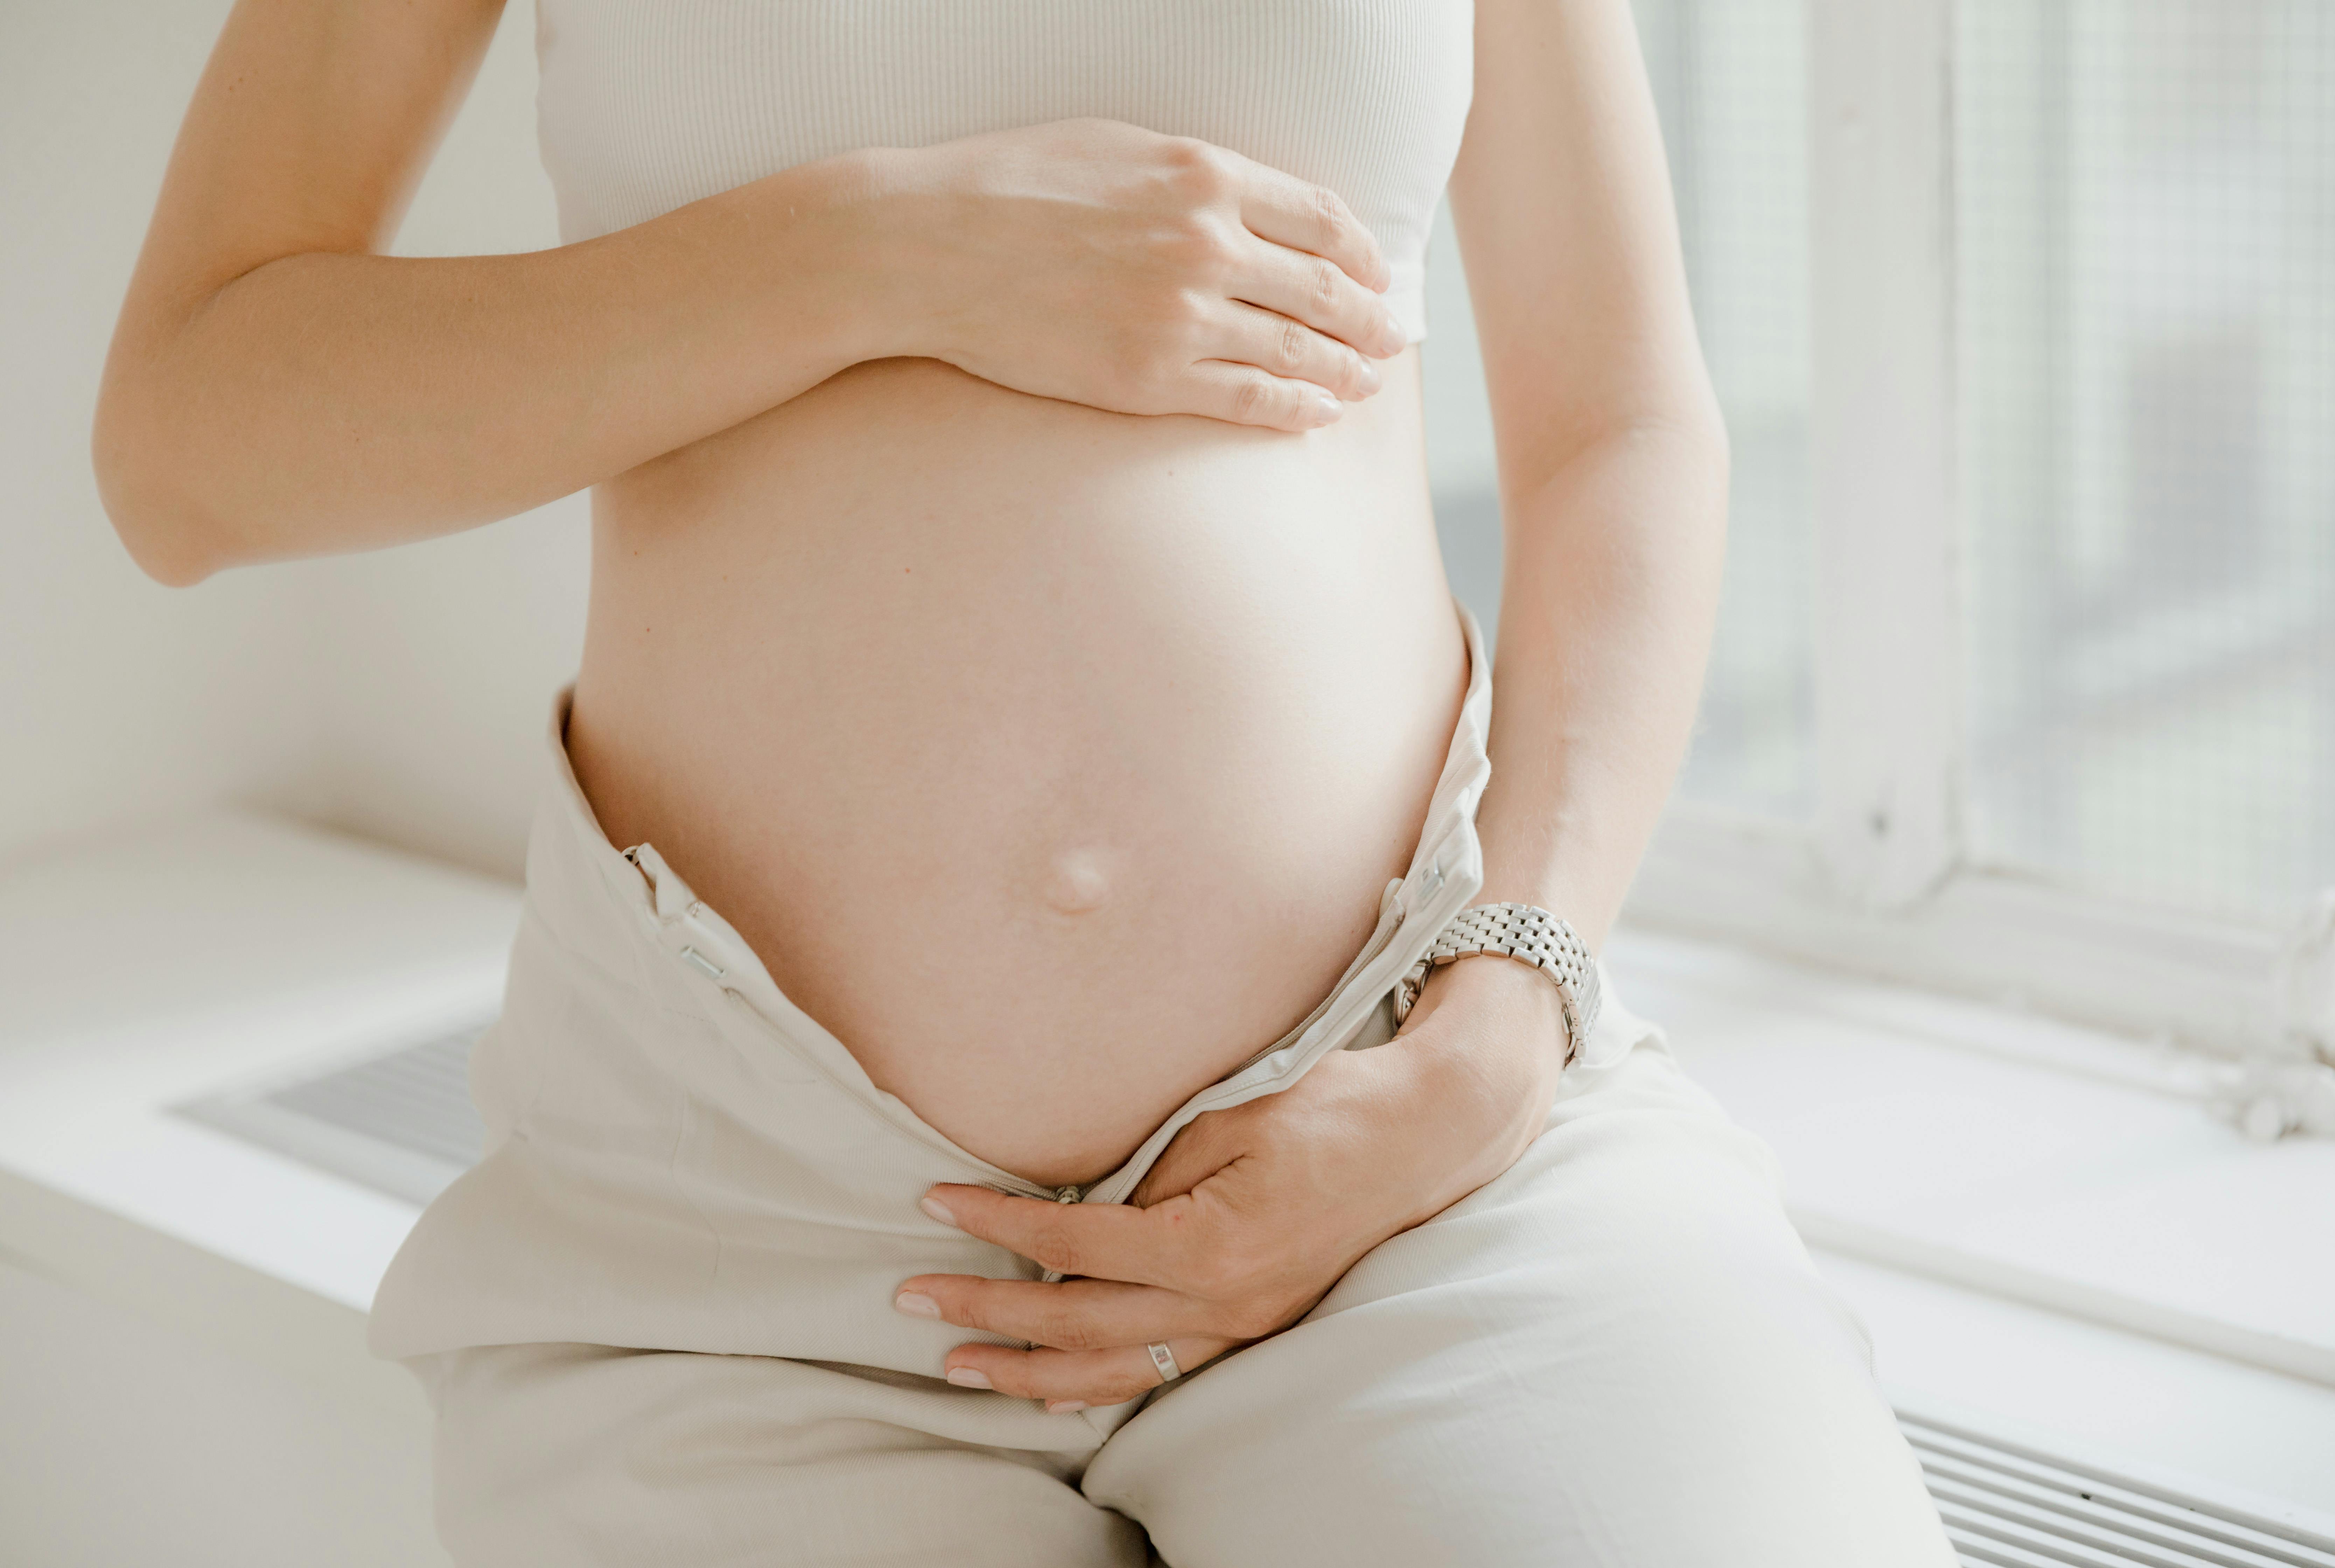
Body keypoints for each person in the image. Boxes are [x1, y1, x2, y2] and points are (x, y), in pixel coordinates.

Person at [95, 0, 1957, 1562]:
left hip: (1407, 1146)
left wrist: (1497, 1033)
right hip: (734, 1252)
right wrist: (878, 250)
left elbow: (1620, 422)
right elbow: (190, 440)